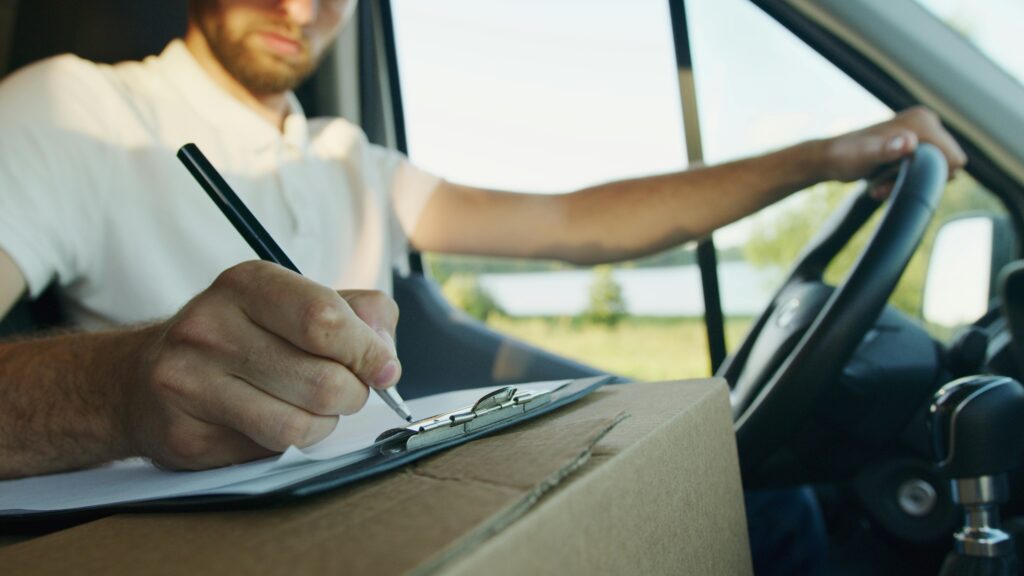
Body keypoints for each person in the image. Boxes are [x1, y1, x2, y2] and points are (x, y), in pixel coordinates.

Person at [0, 0, 965, 480]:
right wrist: (123, 388)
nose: (300, 8)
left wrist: (826, 155)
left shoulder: (347, 157)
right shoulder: (78, 109)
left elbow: (572, 223)